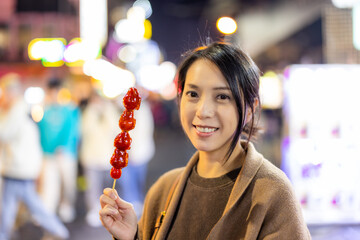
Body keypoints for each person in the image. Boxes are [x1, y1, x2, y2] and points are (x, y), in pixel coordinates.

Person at [99, 42, 311, 239]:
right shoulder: (163, 189)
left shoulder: (273, 192)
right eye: (193, 94)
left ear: (250, 108)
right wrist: (132, 236)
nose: (203, 111)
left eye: (222, 96)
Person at [0, 73, 69, 240]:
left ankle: (58, 231)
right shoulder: (20, 108)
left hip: (18, 167)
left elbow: (4, 133)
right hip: (20, 166)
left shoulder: (17, 109)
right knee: (17, 203)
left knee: (27, 204)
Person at [37, 77, 80, 223]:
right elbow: (40, 131)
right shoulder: (44, 110)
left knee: (67, 183)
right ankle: (47, 212)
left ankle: (66, 206)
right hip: (47, 154)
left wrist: (63, 146)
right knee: (49, 184)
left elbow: (72, 130)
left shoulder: (69, 109)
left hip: (65, 154)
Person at [79, 91, 119, 227]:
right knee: (92, 186)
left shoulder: (110, 111)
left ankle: (108, 209)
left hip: (106, 156)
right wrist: (93, 112)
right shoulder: (88, 113)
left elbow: (114, 129)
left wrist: (106, 111)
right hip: (90, 156)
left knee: (107, 186)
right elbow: (84, 130)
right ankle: (93, 210)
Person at [118, 94, 155, 219]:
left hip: (139, 152)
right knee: (127, 180)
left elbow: (144, 131)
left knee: (139, 179)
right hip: (124, 152)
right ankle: (131, 203)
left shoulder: (142, 110)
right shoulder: (121, 109)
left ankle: (139, 201)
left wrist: (133, 151)